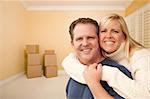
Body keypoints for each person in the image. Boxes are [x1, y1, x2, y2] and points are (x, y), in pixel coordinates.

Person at [62, 14, 150, 99]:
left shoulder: (138, 59)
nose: (85, 43)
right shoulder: (75, 70)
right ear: (72, 44)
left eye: (90, 37)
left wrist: (95, 82)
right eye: (79, 39)